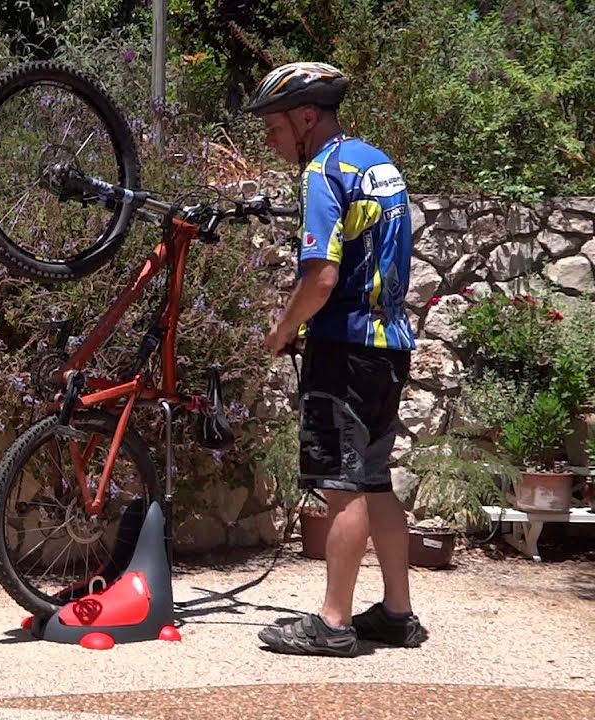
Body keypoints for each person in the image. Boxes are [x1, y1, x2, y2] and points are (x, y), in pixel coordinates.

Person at [240, 61, 429, 657]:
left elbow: (321, 276)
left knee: (342, 486)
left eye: (273, 127)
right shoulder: (377, 163)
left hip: (344, 349)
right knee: (375, 481)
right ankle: (397, 613)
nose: (270, 141)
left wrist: (280, 332)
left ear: (306, 116)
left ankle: (334, 623)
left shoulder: (323, 171)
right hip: (389, 343)